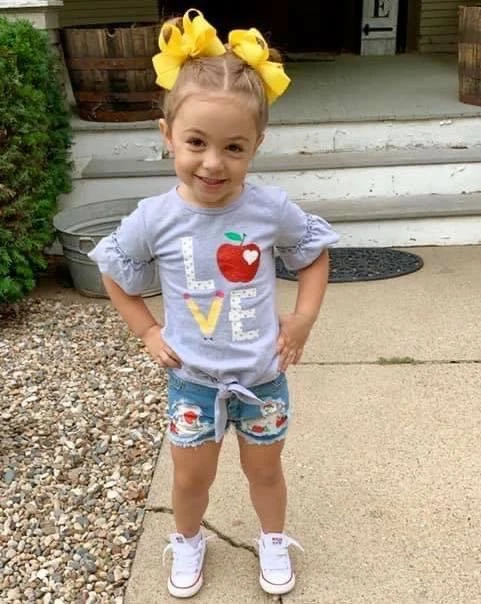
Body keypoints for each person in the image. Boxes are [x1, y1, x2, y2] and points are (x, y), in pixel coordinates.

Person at [88, 8, 340, 599]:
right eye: (197, 142)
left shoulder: (269, 209)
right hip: (194, 382)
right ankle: (187, 539)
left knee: (265, 471)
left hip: (262, 377)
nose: (212, 162)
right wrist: (148, 331)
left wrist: (303, 319)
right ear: (167, 135)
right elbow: (114, 270)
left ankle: (272, 539)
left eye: (234, 147)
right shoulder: (155, 218)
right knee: (190, 478)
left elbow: (314, 255)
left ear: (257, 145)